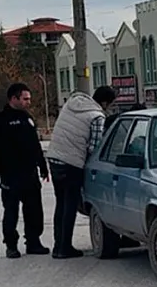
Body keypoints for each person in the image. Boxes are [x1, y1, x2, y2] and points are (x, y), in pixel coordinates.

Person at [46, 85, 110, 259]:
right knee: (70, 205)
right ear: (104, 102)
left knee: (61, 203)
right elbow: (94, 147)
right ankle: (65, 247)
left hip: (54, 159)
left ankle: (58, 245)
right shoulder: (97, 116)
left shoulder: (72, 103)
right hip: (71, 163)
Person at [0, 83, 50, 259]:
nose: (28, 102)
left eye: (29, 99)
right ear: (14, 99)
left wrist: (42, 166)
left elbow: (35, 146)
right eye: (25, 99)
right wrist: (3, 171)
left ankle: (33, 241)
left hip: (29, 174)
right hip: (10, 176)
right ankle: (11, 245)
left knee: (34, 210)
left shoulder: (27, 119)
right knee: (11, 211)